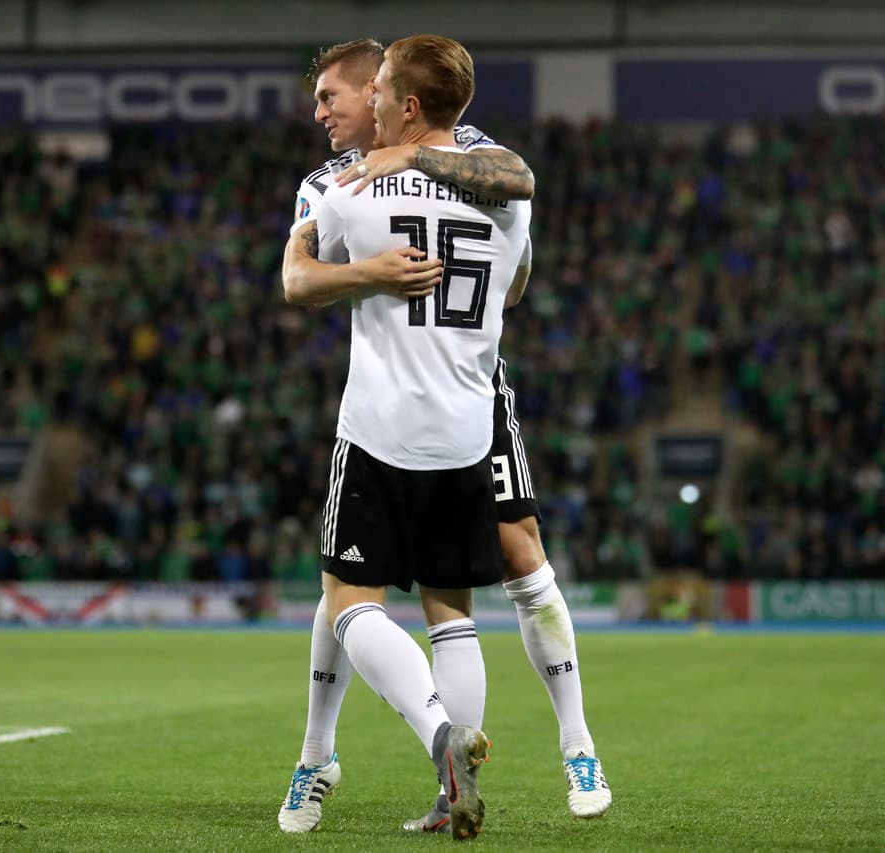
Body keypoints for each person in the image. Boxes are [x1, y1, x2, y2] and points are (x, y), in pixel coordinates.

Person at [277, 38, 611, 836]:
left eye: (335, 96)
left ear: (385, 98)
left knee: (501, 556)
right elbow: (518, 261)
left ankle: (572, 746)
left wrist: (401, 192)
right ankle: (320, 755)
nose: (321, 112)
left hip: (441, 397)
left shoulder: (364, 185)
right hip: (453, 399)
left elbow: (297, 279)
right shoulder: (337, 177)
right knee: (438, 601)